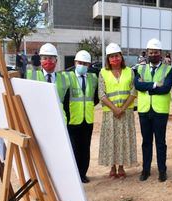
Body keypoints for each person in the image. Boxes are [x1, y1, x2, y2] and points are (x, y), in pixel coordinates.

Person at [134, 38, 172, 182]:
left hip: (160, 111)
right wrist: (155, 85)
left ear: (160, 53)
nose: (153, 55)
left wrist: (148, 87)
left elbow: (166, 88)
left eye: (155, 52)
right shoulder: (140, 68)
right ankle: (146, 170)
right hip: (144, 110)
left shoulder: (168, 69)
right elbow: (138, 86)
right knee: (146, 142)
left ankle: (162, 170)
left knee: (160, 142)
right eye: (151, 52)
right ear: (147, 53)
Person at [98, 43, 137, 179]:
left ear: (121, 57)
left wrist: (122, 108)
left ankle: (121, 167)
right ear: (108, 59)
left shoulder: (129, 71)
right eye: (111, 57)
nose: (114, 59)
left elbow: (133, 91)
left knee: (124, 139)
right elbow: (101, 94)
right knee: (112, 140)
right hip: (110, 113)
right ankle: (112, 166)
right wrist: (115, 109)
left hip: (126, 112)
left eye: (117, 56)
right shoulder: (103, 72)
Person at [64, 50, 98, 183]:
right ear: (75, 63)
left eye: (85, 63)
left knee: (85, 148)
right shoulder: (67, 77)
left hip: (87, 119)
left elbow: (95, 98)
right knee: (74, 148)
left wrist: (86, 107)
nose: (83, 65)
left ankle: (83, 173)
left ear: (89, 65)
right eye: (80, 63)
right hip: (73, 120)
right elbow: (64, 98)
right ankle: (74, 175)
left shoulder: (92, 78)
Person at [26, 43, 68, 112]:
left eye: (51, 58)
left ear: (56, 61)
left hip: (58, 118)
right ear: (40, 61)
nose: (48, 61)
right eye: (45, 58)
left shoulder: (64, 79)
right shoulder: (31, 76)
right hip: (40, 117)